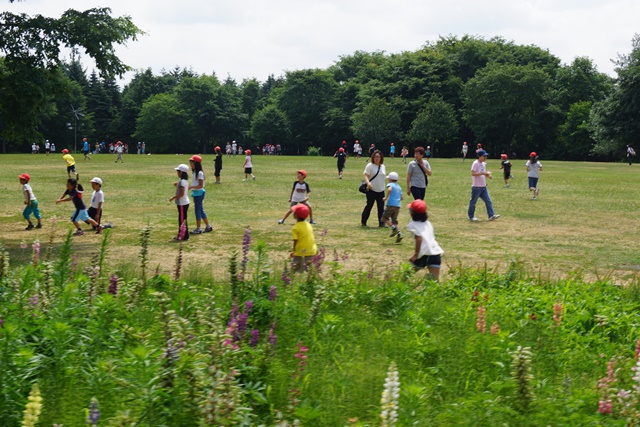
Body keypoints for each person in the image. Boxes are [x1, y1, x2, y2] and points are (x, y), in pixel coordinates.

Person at [406, 199, 444, 280]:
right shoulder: (428, 223)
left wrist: (416, 255)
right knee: (434, 281)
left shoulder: (412, 225)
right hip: (435, 253)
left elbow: (419, 238)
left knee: (406, 275)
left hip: (424, 254)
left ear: (412, 212)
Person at [468, 149, 500, 221]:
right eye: (484, 156)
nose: (485, 157)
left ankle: (491, 216)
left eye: (486, 156)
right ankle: (471, 216)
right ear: (479, 156)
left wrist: (487, 175)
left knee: (488, 201)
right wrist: (483, 173)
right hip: (476, 187)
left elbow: (483, 173)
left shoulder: (483, 164)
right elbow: (473, 173)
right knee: (473, 202)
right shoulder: (475, 163)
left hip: (483, 187)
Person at [188, 155, 213, 234]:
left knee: (197, 211)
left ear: (196, 163)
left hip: (199, 194)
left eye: (191, 162)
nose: (190, 164)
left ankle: (198, 228)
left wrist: (191, 187)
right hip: (196, 194)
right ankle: (208, 226)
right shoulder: (195, 172)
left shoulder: (200, 173)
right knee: (201, 211)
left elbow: (200, 185)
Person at [361, 150, 386, 227]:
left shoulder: (383, 166)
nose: (376, 158)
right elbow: (365, 175)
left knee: (381, 208)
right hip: (371, 190)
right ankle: (364, 222)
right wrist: (368, 183)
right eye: (375, 157)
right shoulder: (370, 166)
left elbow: (383, 176)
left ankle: (382, 223)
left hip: (381, 190)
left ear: (381, 158)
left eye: (378, 157)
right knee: (369, 206)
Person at [289, 204, 317, 273]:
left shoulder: (296, 227)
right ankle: (322, 282)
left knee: (292, 271)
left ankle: (288, 283)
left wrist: (294, 251)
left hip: (300, 253)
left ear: (296, 215)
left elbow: (295, 241)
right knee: (314, 271)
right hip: (312, 251)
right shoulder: (309, 225)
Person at [169, 164, 190, 241]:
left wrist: (173, 198)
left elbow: (181, 194)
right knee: (183, 219)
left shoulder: (182, 182)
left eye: (178, 171)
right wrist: (177, 185)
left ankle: (182, 236)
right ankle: (185, 235)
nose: (177, 173)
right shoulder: (184, 181)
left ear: (181, 172)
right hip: (185, 202)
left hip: (182, 203)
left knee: (181, 220)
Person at [382, 171, 403, 243]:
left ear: (390, 179)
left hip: (391, 204)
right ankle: (399, 234)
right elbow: (401, 197)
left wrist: (386, 198)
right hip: (398, 205)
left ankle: (394, 229)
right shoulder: (399, 187)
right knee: (394, 220)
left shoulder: (390, 184)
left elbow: (389, 189)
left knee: (384, 218)